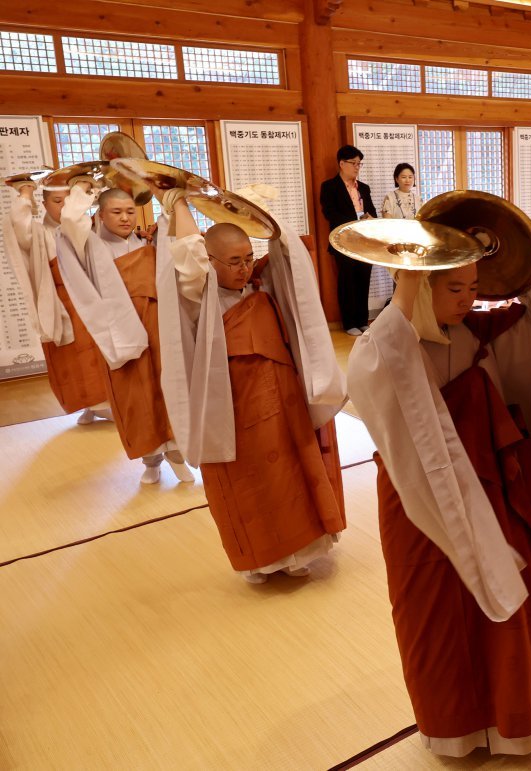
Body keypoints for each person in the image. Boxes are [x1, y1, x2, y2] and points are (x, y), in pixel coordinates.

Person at [346, 256, 531, 757]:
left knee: (516, 603)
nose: (468, 299)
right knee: (434, 616)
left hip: (498, 495)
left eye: (473, 286)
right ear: (419, 288)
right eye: (453, 288)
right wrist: (406, 285)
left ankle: (517, 723)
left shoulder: (478, 334)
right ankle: (454, 731)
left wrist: (524, 271)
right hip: (419, 506)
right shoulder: (383, 346)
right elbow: (384, 365)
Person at [155, 188, 348, 583]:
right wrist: (177, 206)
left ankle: (301, 553)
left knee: (291, 477)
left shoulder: (262, 285)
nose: (245, 268)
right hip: (232, 404)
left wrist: (256, 211)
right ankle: (261, 560)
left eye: (247, 258)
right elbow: (189, 267)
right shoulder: (197, 296)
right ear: (211, 262)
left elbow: (288, 254)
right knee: (249, 484)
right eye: (233, 262)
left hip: (282, 395)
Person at [55, 186, 193, 485]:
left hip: (158, 326)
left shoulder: (148, 242)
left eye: (130, 211)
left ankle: (178, 452)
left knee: (168, 388)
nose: (125, 218)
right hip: (122, 331)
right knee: (135, 398)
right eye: (116, 212)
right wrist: (81, 189)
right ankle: (151, 459)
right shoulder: (92, 248)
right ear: (100, 215)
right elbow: (70, 223)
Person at [2, 180, 109, 424]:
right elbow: (19, 226)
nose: (62, 208)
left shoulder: (83, 226)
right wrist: (25, 193)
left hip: (89, 298)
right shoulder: (39, 232)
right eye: (56, 201)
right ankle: (89, 406)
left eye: (67, 201)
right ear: (44, 204)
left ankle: (105, 403)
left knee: (96, 355)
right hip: (60, 301)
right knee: (71, 360)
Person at [320, 144, 377, 336]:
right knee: (347, 282)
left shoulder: (364, 188)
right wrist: (355, 221)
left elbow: (372, 211)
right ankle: (349, 323)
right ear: (341, 164)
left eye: (359, 164)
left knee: (363, 280)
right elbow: (330, 214)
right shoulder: (329, 187)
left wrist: (369, 218)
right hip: (343, 241)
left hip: (364, 241)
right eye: (353, 163)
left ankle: (362, 320)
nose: (357, 167)